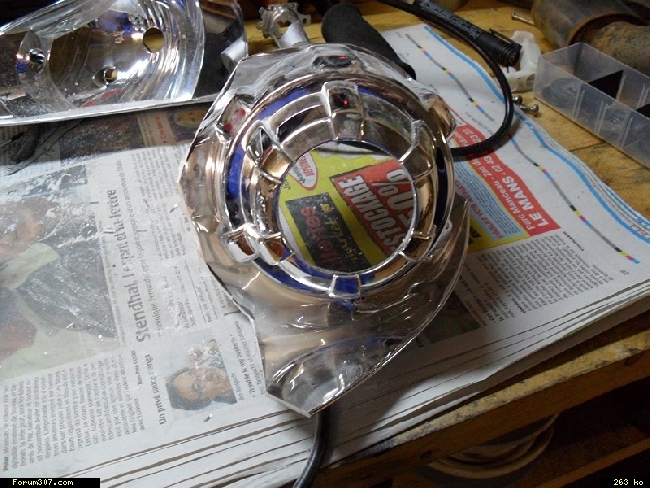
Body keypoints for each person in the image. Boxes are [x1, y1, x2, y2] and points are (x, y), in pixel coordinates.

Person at [166, 364, 236, 410]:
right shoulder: (237, 407)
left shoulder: (217, 357)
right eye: (199, 385)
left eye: (194, 373)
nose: (204, 376)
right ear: (207, 399)